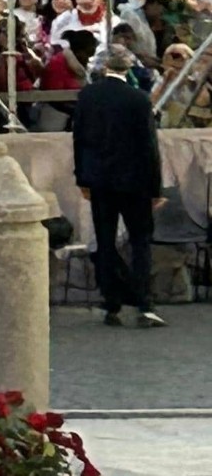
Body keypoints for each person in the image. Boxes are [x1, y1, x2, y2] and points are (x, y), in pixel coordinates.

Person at [72, 44, 167, 328]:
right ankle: (144, 304)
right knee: (140, 242)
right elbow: (149, 146)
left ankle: (111, 302)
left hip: (99, 179)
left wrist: (82, 179)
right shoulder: (139, 99)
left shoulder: (87, 96)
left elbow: (79, 140)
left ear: (103, 68)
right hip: (135, 181)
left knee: (105, 238)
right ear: (128, 69)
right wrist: (155, 188)